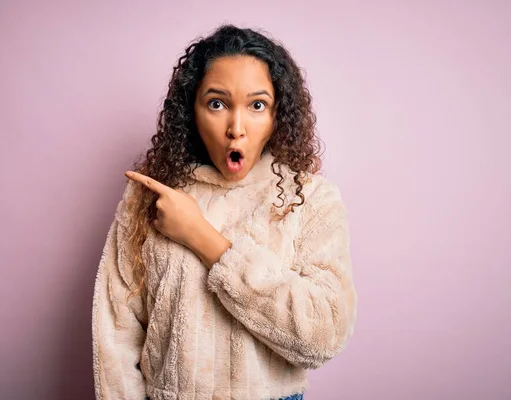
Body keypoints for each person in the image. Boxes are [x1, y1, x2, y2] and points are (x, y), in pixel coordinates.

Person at [91, 24, 357, 400]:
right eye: (217, 103)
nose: (236, 128)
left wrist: (202, 237)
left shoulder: (310, 199)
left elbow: (324, 335)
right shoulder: (151, 195)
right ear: (192, 111)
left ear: (277, 114)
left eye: (257, 105)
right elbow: (115, 332)